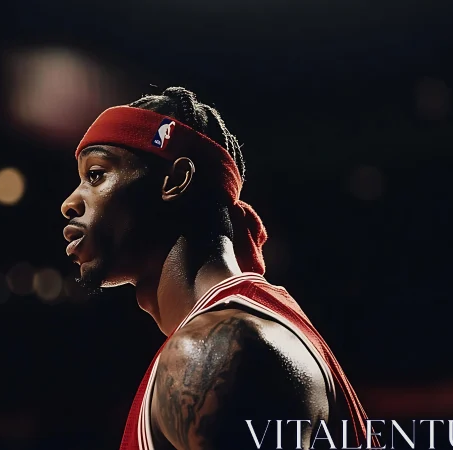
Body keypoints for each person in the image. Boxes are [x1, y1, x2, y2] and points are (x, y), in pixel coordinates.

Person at [60, 87, 375, 450]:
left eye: (96, 175)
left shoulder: (214, 351)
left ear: (175, 181)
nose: (70, 202)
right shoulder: (239, 328)